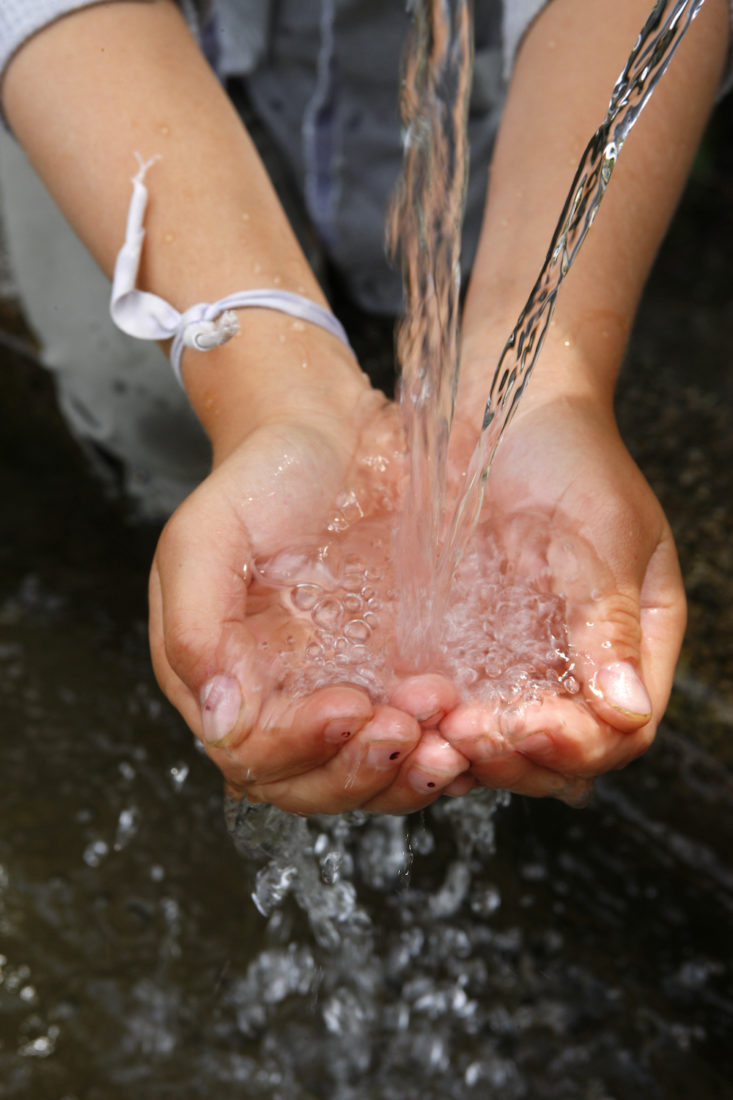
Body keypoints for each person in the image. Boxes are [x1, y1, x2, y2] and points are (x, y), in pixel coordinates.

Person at [0, 0, 728, 815]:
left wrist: (546, 382)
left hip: (496, 76)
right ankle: (152, 511)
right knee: (136, 394)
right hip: (106, 63)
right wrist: (269, 392)